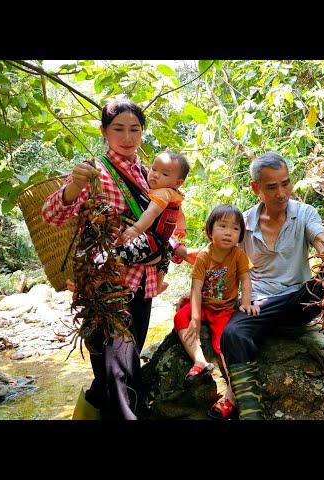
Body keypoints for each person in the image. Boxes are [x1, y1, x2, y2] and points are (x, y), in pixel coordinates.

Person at [41, 97, 190, 420]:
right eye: (118, 129)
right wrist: (72, 188)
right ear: (103, 131)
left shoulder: (149, 173)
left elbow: (163, 223)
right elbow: (51, 215)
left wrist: (174, 247)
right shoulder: (93, 172)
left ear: (143, 132)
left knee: (119, 369)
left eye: (134, 129)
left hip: (142, 286)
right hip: (105, 288)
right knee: (120, 374)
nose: (127, 138)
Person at [218, 152, 324, 420]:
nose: (281, 193)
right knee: (232, 333)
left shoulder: (304, 214)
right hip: (260, 304)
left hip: (300, 301)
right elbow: (221, 261)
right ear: (256, 188)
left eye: (286, 183)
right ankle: (250, 407)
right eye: (272, 186)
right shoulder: (243, 223)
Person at [173, 205, 260, 420]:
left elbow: (246, 281)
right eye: (222, 226)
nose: (229, 232)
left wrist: (246, 302)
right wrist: (194, 318)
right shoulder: (204, 255)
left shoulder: (238, 255)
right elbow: (196, 287)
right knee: (180, 317)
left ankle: (232, 393)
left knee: (224, 343)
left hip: (224, 310)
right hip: (204, 306)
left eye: (235, 228)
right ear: (210, 231)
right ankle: (200, 361)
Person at [117, 151, 189, 294]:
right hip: (162, 242)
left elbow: (151, 213)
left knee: (121, 255)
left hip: (151, 240)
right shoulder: (175, 195)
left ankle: (108, 278)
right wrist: (182, 228)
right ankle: (158, 284)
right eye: (154, 169)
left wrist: (136, 229)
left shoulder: (162, 194)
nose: (155, 174)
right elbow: (180, 214)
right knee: (165, 258)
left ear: (178, 182)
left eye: (165, 174)